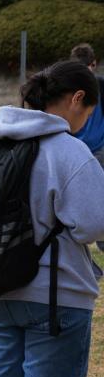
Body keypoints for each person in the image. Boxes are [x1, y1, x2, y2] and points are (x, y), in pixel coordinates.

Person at [0, 60, 104, 377]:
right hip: (55, 298)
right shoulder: (69, 152)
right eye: (88, 113)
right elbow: (93, 226)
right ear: (77, 99)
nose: (85, 122)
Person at [68, 43, 104, 251]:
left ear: (94, 65)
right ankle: (78, 242)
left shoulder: (101, 86)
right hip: (72, 149)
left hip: (98, 149)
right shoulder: (67, 90)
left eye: (86, 68)